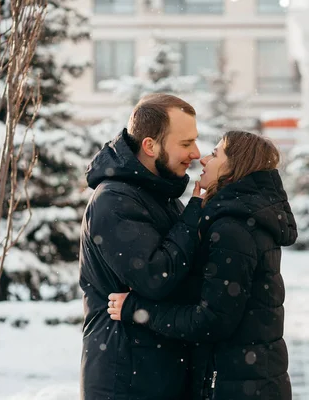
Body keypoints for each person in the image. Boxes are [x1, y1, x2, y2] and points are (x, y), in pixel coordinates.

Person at [107, 130, 298, 400]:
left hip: (237, 388)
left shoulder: (233, 229)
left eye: (217, 153)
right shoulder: (244, 219)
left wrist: (137, 309)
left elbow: (211, 321)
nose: (204, 159)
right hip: (251, 381)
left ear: (235, 167)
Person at [79, 93, 204, 400]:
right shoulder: (114, 200)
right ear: (150, 146)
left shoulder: (158, 194)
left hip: (154, 372)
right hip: (126, 379)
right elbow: (155, 277)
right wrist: (195, 211)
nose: (197, 153)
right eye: (186, 144)